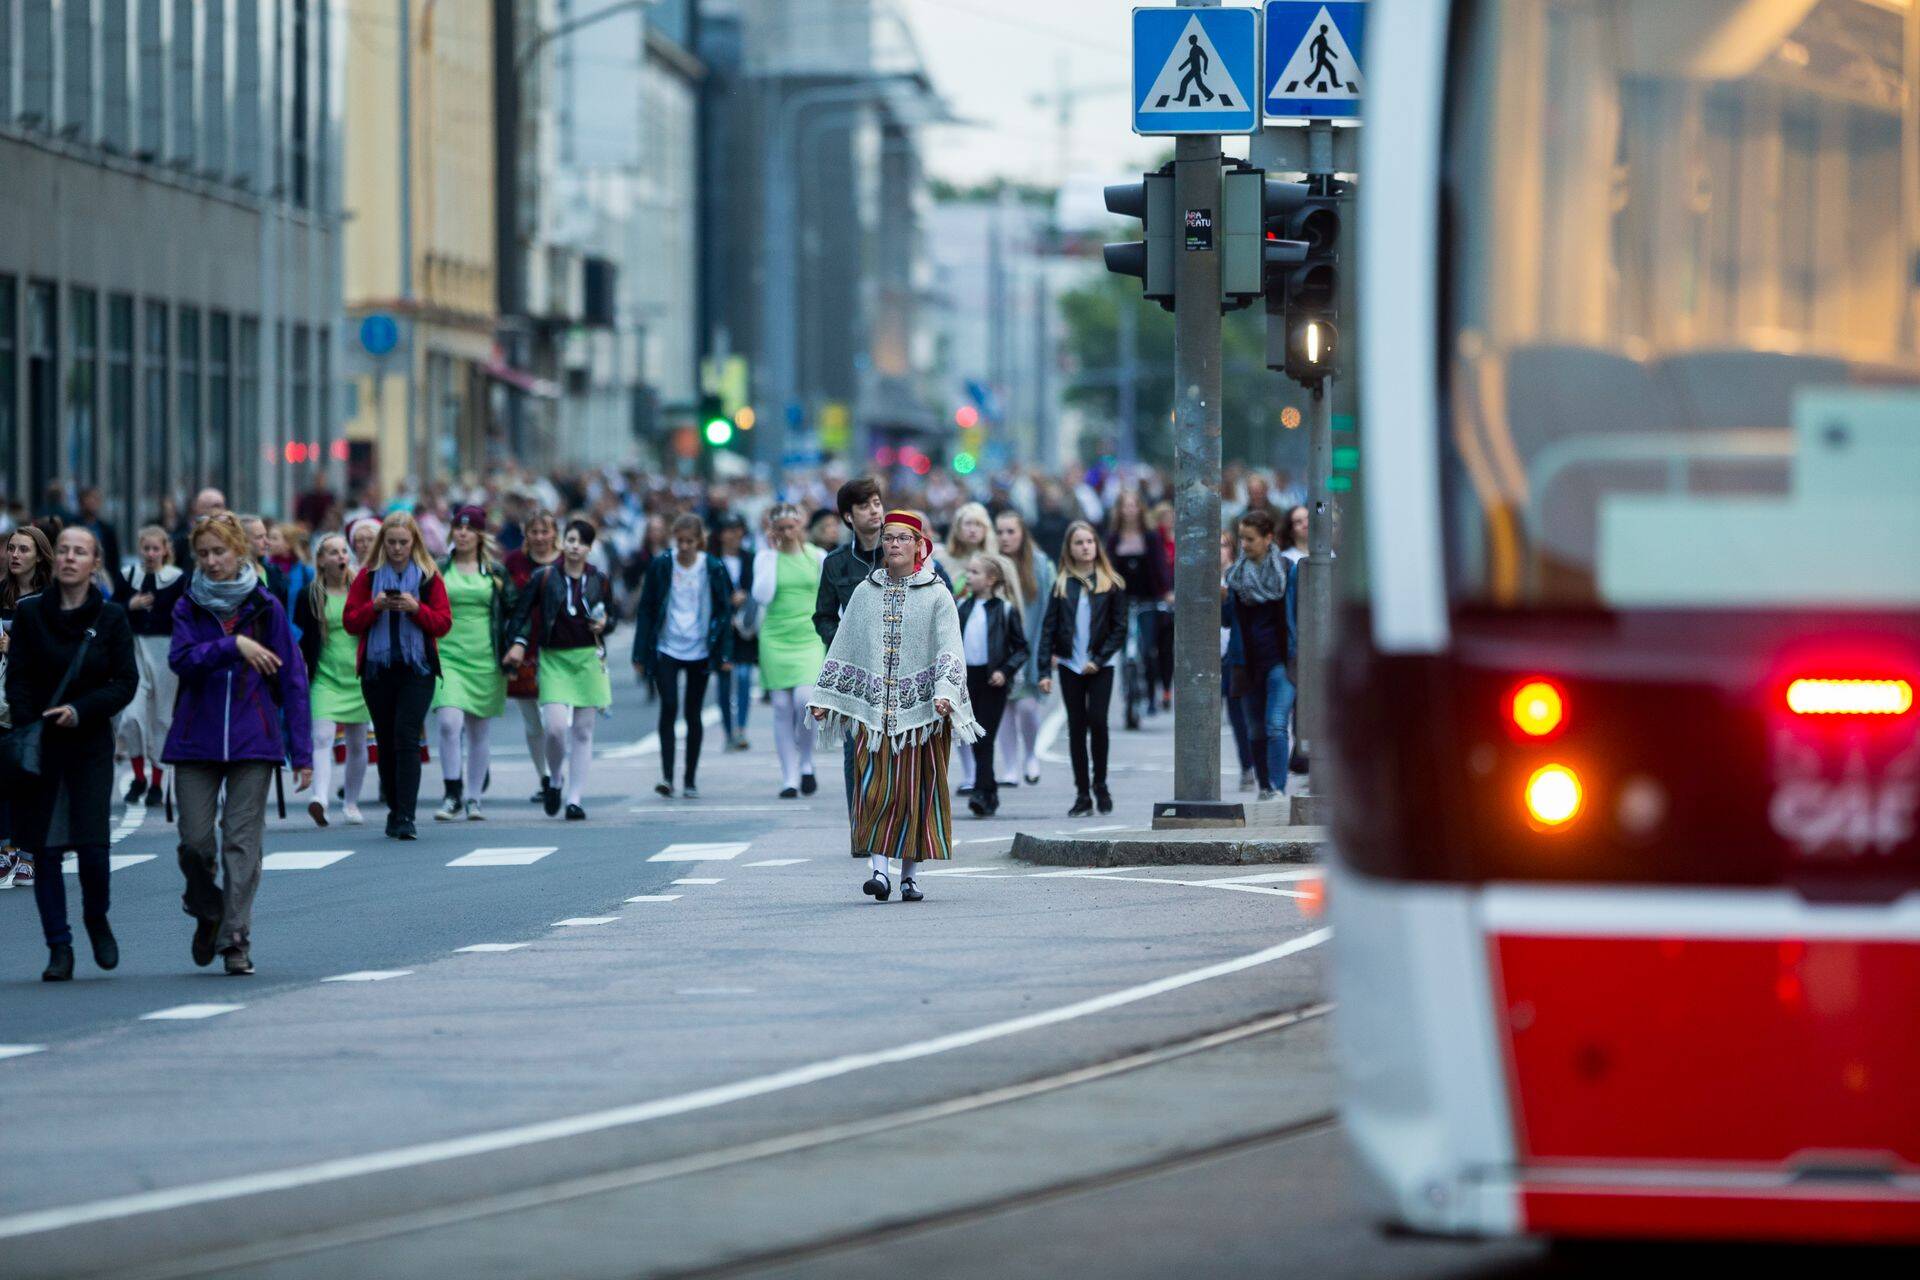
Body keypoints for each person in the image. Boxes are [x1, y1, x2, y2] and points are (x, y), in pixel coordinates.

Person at [165, 512, 313, 976]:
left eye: (220, 552)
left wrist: (303, 754)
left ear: (239, 553)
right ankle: (206, 906)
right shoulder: (188, 605)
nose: (211, 562)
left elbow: (293, 679)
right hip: (195, 738)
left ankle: (235, 940)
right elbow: (181, 661)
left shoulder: (266, 606)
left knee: (241, 842)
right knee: (194, 844)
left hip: (255, 739)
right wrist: (234, 648)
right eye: (204, 554)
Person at [810, 510, 980, 904]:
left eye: (903, 538)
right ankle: (879, 872)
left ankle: (909, 877)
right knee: (875, 791)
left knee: (915, 795)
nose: (894, 545)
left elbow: (950, 649)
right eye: (888, 539)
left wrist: (945, 693)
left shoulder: (937, 593)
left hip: (923, 715)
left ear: (920, 545)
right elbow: (845, 645)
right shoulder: (865, 593)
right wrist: (826, 698)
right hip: (875, 714)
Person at [6, 528, 139, 980]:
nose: (68, 558)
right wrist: (32, 721)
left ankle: (96, 919)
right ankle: (58, 947)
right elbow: (17, 676)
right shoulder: (30, 614)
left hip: (88, 744)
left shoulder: (112, 618)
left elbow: (124, 682)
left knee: (93, 847)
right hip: (41, 745)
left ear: (94, 562)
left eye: (79, 552)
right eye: (63, 550)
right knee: (44, 850)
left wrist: (80, 711)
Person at [813, 478, 953, 811]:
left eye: (877, 502)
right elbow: (823, 616)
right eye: (864, 505)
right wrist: (847, 645)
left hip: (906, 665)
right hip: (861, 669)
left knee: (905, 748)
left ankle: (904, 824)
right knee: (856, 749)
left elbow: (936, 593)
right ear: (848, 517)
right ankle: (861, 829)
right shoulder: (835, 563)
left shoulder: (901, 550)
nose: (874, 510)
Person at [343, 510, 453, 840]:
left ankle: (406, 814)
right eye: (390, 542)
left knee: (406, 736)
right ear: (382, 543)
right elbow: (350, 622)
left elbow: (443, 623)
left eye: (403, 542)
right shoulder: (368, 575)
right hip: (377, 671)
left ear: (414, 542)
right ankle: (394, 807)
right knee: (388, 741)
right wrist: (374, 607)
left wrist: (417, 610)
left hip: (416, 669)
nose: (397, 549)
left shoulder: (428, 576)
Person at [503, 519, 615, 820]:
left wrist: (605, 624)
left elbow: (612, 617)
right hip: (553, 658)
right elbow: (521, 614)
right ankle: (554, 779)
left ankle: (575, 798)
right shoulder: (544, 576)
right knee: (553, 729)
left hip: (588, 659)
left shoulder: (599, 579)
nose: (574, 546)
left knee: (582, 731)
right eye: (571, 540)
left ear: (590, 548)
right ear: (563, 543)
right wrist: (517, 642)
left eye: (581, 542)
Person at [632, 514, 734, 799]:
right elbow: (647, 608)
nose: (685, 547)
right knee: (669, 704)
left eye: (691, 541)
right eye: (680, 541)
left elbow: (724, 611)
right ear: (673, 540)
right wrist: (640, 652)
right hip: (667, 645)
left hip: (700, 647)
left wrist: (724, 652)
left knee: (693, 712)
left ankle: (689, 778)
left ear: (700, 541)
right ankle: (666, 776)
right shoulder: (662, 564)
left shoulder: (712, 567)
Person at [1038, 522, 1127, 817]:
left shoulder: (1111, 583)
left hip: (1101, 665)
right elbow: (1049, 628)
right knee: (1076, 727)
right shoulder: (1063, 584)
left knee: (1098, 722)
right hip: (1070, 664)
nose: (1085, 546)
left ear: (1097, 546)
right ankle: (1082, 793)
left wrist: (1099, 659)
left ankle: (1101, 784)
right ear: (1070, 549)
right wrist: (1044, 671)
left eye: (1090, 541)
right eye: (1079, 542)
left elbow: (1119, 628)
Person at [430, 507, 511, 821]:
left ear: (480, 535)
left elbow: (513, 610)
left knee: (479, 731)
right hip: (447, 655)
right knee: (449, 723)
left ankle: (474, 798)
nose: (462, 534)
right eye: (458, 528)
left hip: (485, 657)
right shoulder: (438, 568)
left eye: (470, 529)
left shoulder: (495, 572)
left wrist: (515, 646)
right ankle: (452, 793)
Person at [294, 533, 372, 826]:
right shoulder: (310, 595)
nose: (341, 557)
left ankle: (351, 802)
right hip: (325, 677)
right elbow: (304, 638)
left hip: (358, 676)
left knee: (357, 744)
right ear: (321, 560)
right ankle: (320, 799)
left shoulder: (361, 589)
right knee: (323, 738)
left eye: (344, 551)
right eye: (333, 552)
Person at [1224, 509, 1298, 802]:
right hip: (1245, 660)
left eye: (1251, 539)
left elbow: (1298, 613)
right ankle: (1265, 786)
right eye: (1241, 538)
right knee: (1255, 728)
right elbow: (1228, 620)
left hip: (1281, 658)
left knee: (1276, 723)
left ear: (1269, 538)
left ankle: (1278, 787)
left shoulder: (1288, 571)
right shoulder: (1234, 576)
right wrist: (1221, 599)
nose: (1244, 544)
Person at [114, 526, 187, 810]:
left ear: (165, 550)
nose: (151, 554)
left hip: (165, 651)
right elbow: (111, 610)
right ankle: (138, 773)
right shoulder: (128, 576)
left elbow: (184, 614)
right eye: (146, 548)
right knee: (131, 716)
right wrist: (129, 604)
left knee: (162, 717)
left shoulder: (177, 579)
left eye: (156, 549)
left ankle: (156, 780)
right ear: (140, 549)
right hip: (133, 649)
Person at [758, 502, 828, 799]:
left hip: (808, 636)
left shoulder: (818, 556)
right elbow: (762, 595)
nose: (788, 533)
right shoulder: (766, 557)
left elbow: (828, 597)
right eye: (782, 529)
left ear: (801, 526)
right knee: (781, 708)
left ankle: (806, 762)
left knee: (804, 700)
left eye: (793, 527)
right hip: (775, 637)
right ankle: (789, 777)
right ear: (774, 531)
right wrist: (772, 553)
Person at [1, 525, 56, 887]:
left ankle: (29, 854)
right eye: (11, 548)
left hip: (35, 699)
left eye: (23, 549)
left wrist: (16, 647)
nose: (15, 554)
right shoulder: (0, 594)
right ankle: (5, 849)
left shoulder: (51, 599)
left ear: (39, 555)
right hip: (0, 699)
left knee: (29, 776)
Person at [955, 553, 1028, 818]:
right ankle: (988, 790)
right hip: (967, 679)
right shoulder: (962, 606)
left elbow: (1021, 648)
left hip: (993, 680)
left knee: (984, 736)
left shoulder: (1005, 609)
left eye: (974, 572)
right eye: (968, 572)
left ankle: (982, 792)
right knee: (973, 736)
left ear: (991, 579)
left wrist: (1005, 671)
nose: (968, 577)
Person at [993, 509, 1055, 788]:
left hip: (1032, 645)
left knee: (1028, 706)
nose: (1005, 537)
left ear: (1022, 534)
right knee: (1004, 707)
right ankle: (1009, 766)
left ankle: (1031, 754)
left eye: (1011, 531)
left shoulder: (1041, 565)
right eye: (1000, 532)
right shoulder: (992, 564)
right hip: (1000, 650)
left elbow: (1053, 608)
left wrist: (1052, 648)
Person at [502, 509, 561, 803]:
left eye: (545, 532)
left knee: (556, 721)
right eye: (534, 532)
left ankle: (560, 774)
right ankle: (544, 777)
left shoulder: (565, 562)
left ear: (555, 534)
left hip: (560, 646)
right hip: (523, 646)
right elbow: (506, 602)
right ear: (526, 535)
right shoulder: (514, 563)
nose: (539, 538)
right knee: (531, 721)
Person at [1104, 490, 1169, 731]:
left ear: (1140, 509)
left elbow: (1160, 566)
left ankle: (1150, 693)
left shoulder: (1150, 537)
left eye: (1133, 506)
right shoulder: (1113, 537)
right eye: (1125, 506)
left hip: (1147, 599)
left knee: (1148, 648)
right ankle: (1127, 691)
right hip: (1121, 601)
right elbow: (1106, 567)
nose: (1129, 510)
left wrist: (1166, 592)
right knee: (1124, 650)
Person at [712, 514, 759, 751]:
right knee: (723, 681)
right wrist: (728, 605)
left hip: (745, 629)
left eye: (737, 529)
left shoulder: (752, 559)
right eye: (728, 530)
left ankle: (741, 728)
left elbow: (759, 590)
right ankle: (728, 730)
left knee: (743, 677)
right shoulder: (712, 562)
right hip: (721, 629)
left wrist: (745, 598)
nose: (733, 535)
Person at [171, 487, 226, 569]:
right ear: (198, 508)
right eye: (216, 506)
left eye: (222, 506)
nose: (221, 511)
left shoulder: (229, 537)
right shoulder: (180, 540)